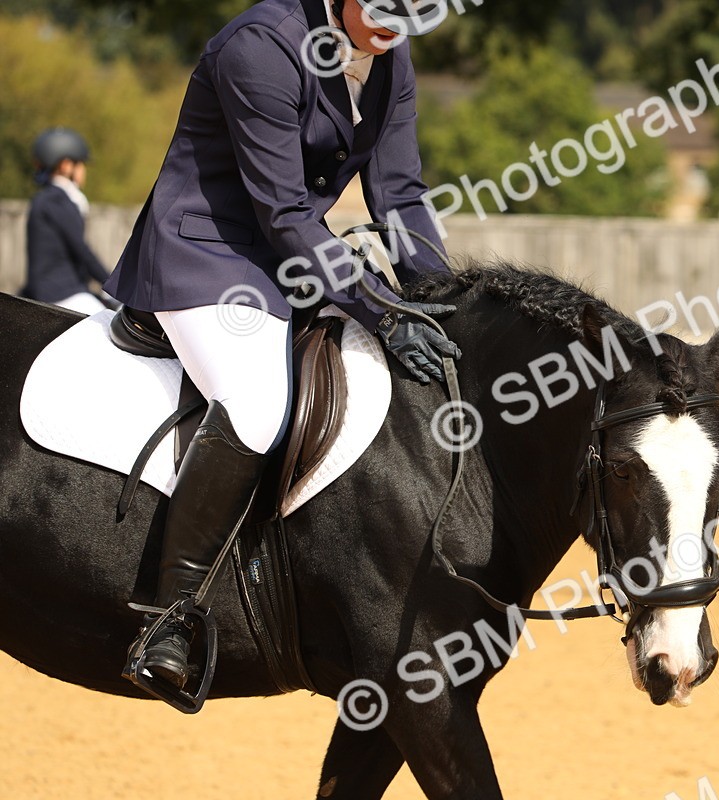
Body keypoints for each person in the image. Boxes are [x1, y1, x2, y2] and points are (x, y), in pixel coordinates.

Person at [104, 0, 460, 693]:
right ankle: (170, 619)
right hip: (206, 252)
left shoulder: (390, 51)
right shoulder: (261, 47)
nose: (398, 23)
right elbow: (284, 210)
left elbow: (401, 192)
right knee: (261, 405)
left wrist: (445, 301)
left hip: (288, 262)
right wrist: (383, 312)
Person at [22, 128, 112, 314]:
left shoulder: (49, 199)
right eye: (80, 164)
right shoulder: (56, 200)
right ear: (65, 165)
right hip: (60, 293)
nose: (84, 171)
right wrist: (112, 286)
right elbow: (81, 250)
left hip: (65, 289)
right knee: (110, 325)